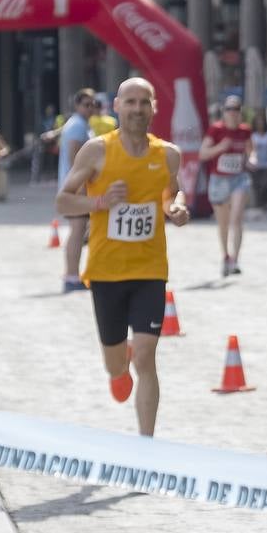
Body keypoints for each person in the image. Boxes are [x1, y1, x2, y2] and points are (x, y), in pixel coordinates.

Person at [56, 77, 190, 436]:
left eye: (143, 102)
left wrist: (175, 209)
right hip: (105, 272)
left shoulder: (167, 154)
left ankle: (146, 447)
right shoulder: (96, 151)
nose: (136, 109)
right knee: (116, 366)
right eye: (129, 102)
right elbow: (63, 200)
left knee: (146, 356)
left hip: (150, 269)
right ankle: (119, 368)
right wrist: (99, 202)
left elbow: (172, 195)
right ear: (116, 106)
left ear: (153, 108)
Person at [199, 95, 254, 276]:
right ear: (224, 112)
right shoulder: (216, 130)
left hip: (239, 178)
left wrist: (253, 161)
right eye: (229, 109)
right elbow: (203, 154)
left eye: (236, 109)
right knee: (223, 223)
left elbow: (250, 152)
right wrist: (220, 147)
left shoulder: (245, 130)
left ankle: (236, 260)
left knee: (236, 217)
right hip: (219, 179)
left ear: (240, 112)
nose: (232, 113)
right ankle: (225, 256)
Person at [57, 88, 97, 292]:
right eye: (86, 104)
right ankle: (72, 276)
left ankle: (73, 274)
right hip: (76, 189)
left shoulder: (78, 124)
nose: (90, 108)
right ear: (77, 105)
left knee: (79, 231)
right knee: (77, 231)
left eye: (93, 104)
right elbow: (75, 158)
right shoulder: (77, 127)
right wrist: (81, 188)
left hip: (76, 188)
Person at [250, 112, 267, 211]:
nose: (260, 124)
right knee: (257, 184)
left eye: (261, 122)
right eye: (258, 123)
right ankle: (259, 203)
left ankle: (265, 201)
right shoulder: (253, 135)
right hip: (256, 163)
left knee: (266, 183)